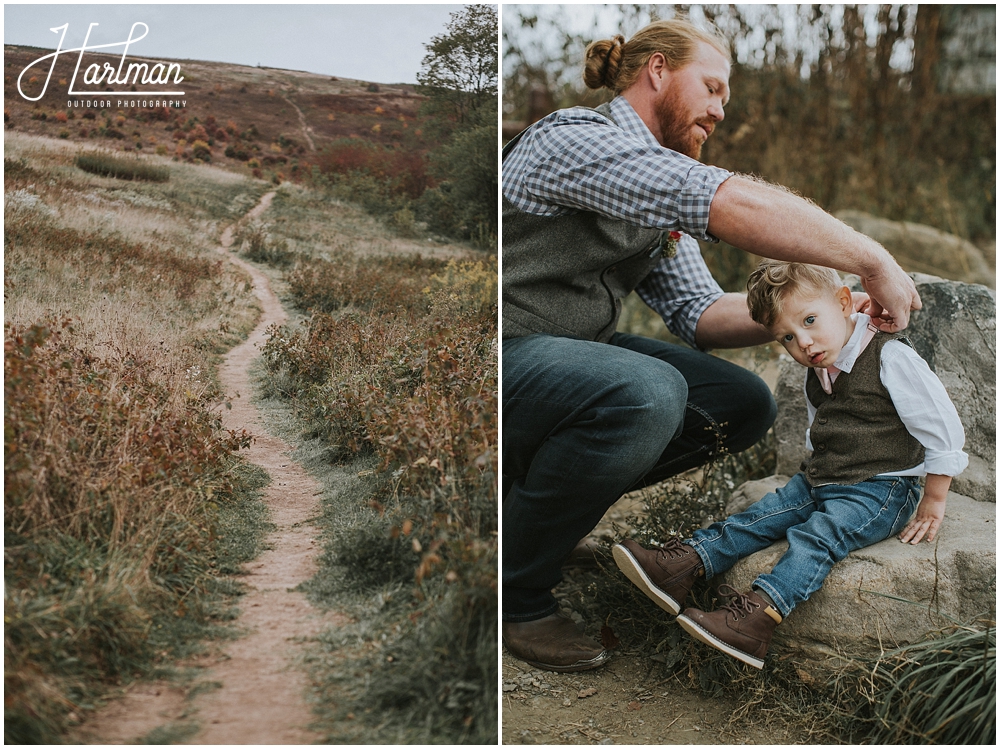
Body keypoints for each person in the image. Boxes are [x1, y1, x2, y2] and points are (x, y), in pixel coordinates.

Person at [501, 17, 922, 673]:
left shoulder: (654, 184)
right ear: (658, 71)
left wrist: (818, 314)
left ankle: (536, 506)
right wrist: (870, 259)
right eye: (713, 87)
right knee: (647, 393)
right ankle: (518, 591)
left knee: (740, 400)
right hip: (501, 354)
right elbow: (724, 201)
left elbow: (700, 312)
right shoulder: (576, 140)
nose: (722, 109)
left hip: (568, 366)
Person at [613, 260, 967, 669]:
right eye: (787, 337)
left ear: (843, 302)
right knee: (766, 513)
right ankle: (685, 563)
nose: (805, 343)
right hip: (824, 478)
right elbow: (824, 427)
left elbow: (941, 426)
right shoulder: (820, 368)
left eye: (811, 320)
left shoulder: (890, 357)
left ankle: (756, 618)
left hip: (881, 488)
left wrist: (934, 497)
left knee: (818, 536)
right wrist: (813, 475)